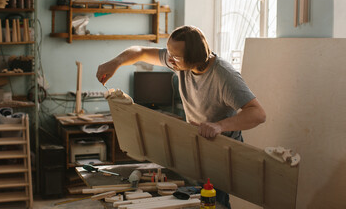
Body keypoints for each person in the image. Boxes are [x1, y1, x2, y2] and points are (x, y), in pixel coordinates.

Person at [96, 25, 266, 208]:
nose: (169, 60)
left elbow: (257, 113)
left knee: (215, 202)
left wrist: (219, 126)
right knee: (192, 196)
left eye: (175, 56)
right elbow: (140, 52)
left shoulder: (224, 76)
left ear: (194, 57)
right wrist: (116, 62)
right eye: (168, 52)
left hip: (222, 150)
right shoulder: (179, 60)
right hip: (197, 142)